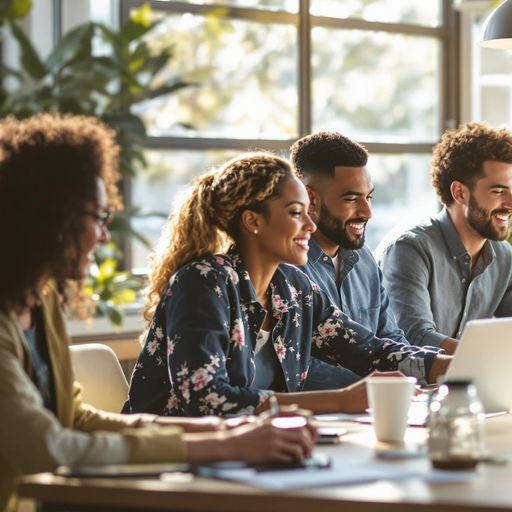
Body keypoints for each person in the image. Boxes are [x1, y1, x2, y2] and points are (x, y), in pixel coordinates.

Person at [0, 114, 316, 512]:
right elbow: (51, 448)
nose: (103, 235)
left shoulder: (39, 303)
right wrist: (220, 444)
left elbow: (76, 418)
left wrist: (227, 430)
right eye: (97, 218)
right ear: (49, 219)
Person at [124, 152, 448, 417]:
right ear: (253, 221)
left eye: (308, 212)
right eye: (296, 212)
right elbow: (206, 400)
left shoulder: (292, 288)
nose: (309, 225)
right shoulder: (205, 282)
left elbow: (368, 350)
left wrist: (447, 366)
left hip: (253, 453)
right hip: (170, 460)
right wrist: (340, 401)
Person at [377, 122, 512, 379]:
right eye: (498, 191)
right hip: (410, 393)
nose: (511, 204)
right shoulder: (409, 248)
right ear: (460, 193)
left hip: (468, 389)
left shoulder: (502, 256)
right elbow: (416, 338)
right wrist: (506, 355)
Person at [290, 132, 442, 390]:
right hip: (317, 415)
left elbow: (389, 340)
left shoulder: (365, 261)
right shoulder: (287, 269)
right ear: (311, 199)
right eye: (351, 199)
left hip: (375, 407)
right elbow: (296, 367)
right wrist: (376, 387)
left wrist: (428, 374)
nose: (367, 212)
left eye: (368, 197)